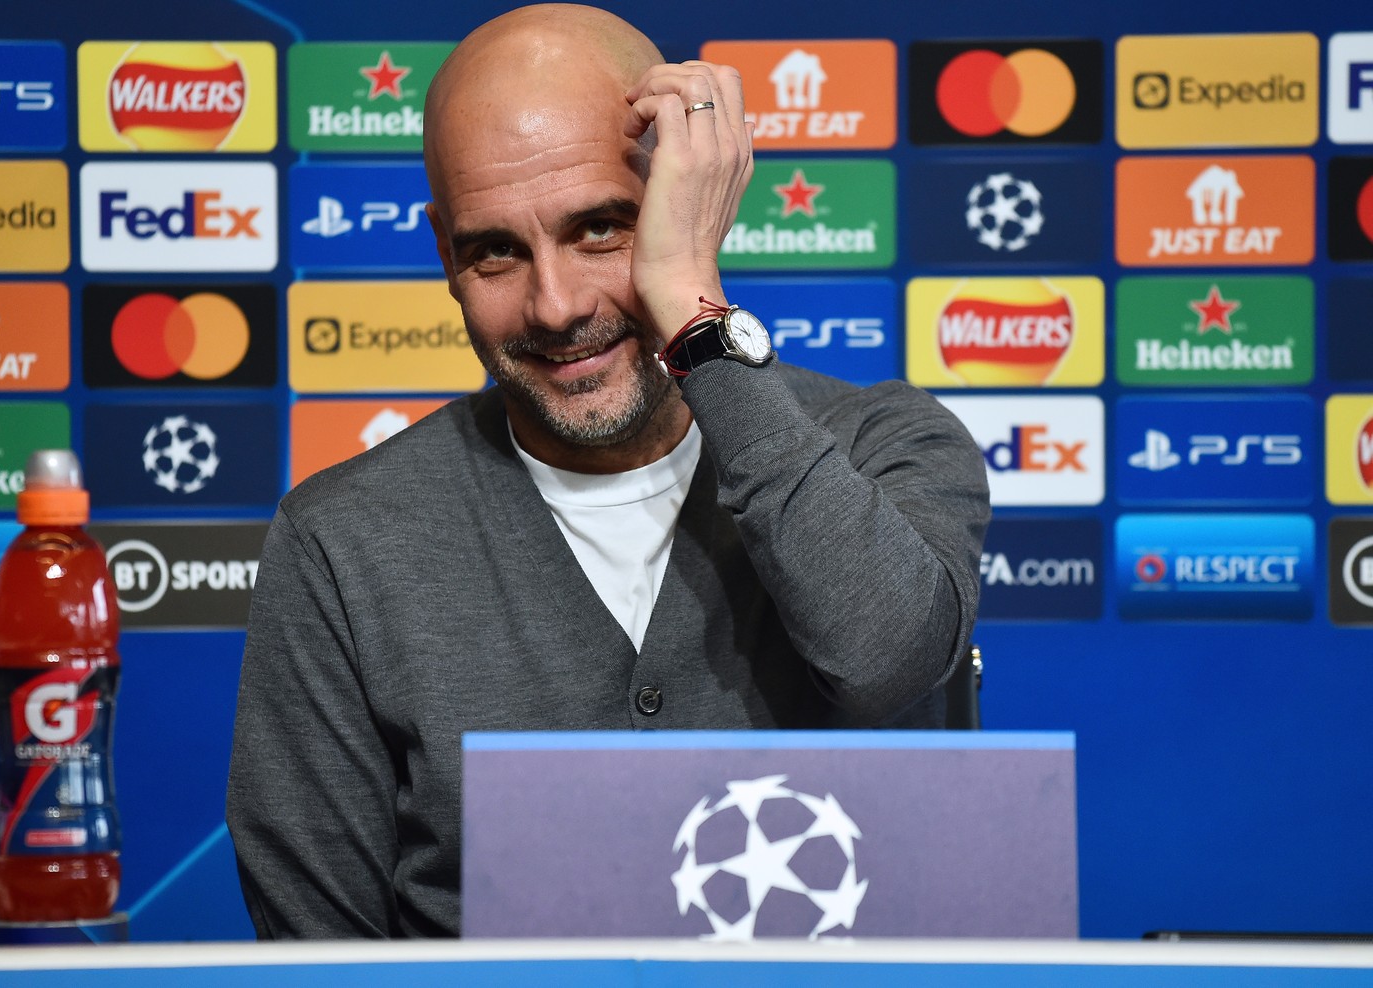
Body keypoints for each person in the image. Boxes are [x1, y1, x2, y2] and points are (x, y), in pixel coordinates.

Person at [227, 3, 989, 939]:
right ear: (444, 256)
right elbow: (319, 955)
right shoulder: (342, 540)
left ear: (687, 203)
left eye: (601, 229)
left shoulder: (886, 443)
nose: (554, 306)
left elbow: (888, 664)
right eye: (495, 251)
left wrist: (695, 318)